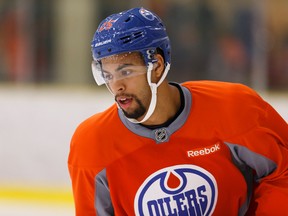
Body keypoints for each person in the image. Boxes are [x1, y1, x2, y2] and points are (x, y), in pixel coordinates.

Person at [68, 7, 288, 216]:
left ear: (158, 66)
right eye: (108, 75)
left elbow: (283, 171)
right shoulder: (92, 144)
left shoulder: (235, 108)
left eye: (125, 71)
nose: (117, 86)